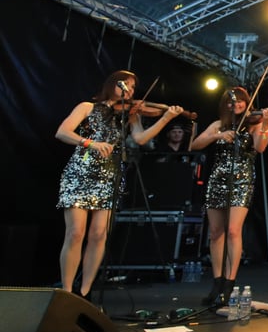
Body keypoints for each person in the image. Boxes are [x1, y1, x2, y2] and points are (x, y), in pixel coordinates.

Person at [55, 70, 184, 298]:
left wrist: (166, 118)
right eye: (125, 84)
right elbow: (63, 132)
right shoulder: (87, 107)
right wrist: (90, 143)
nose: (129, 90)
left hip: (109, 175)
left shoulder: (129, 115)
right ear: (112, 84)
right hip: (80, 173)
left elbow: (140, 139)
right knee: (75, 232)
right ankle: (66, 291)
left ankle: (85, 291)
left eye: (133, 87)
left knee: (99, 234)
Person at [190, 87, 268, 305]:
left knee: (233, 230)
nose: (236, 104)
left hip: (242, 180)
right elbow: (195, 144)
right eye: (231, 101)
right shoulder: (218, 124)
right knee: (215, 232)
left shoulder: (254, 123)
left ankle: (230, 282)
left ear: (247, 103)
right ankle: (217, 281)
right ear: (225, 105)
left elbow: (261, 147)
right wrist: (218, 135)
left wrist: (266, 124)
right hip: (217, 178)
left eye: (240, 101)